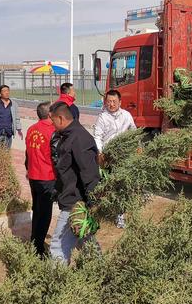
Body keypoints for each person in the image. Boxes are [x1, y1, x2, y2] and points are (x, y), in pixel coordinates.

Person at [48, 101, 100, 264]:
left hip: (75, 202)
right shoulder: (67, 136)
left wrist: (93, 203)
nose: (52, 124)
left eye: (53, 120)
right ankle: (100, 271)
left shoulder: (79, 138)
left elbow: (89, 174)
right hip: (70, 197)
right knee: (86, 240)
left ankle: (57, 282)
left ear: (61, 118)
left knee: (58, 244)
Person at [93, 89, 136, 228]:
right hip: (109, 157)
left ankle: (120, 214)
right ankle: (105, 210)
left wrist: (137, 145)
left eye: (114, 101)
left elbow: (133, 131)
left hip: (124, 156)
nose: (111, 104)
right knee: (109, 184)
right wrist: (100, 153)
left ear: (120, 102)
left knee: (123, 185)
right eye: (109, 102)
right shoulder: (102, 117)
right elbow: (98, 136)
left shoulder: (127, 115)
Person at [25, 101, 56, 257]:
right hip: (47, 178)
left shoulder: (31, 129)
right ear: (50, 114)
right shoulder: (52, 131)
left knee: (37, 210)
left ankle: (34, 240)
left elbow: (27, 154)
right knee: (44, 214)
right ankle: (38, 249)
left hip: (33, 176)